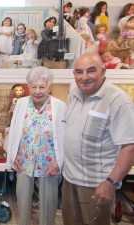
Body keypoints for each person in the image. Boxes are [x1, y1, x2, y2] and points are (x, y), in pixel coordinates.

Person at [62, 52, 134, 225]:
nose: (84, 77)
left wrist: (111, 183)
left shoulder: (117, 100)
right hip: (70, 179)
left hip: (97, 184)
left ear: (103, 71)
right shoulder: (73, 94)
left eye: (91, 71)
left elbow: (129, 147)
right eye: (79, 72)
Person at [5, 66, 66, 225]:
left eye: (42, 86)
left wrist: (59, 162)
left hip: (49, 163)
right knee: (23, 200)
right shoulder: (21, 104)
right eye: (33, 87)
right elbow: (14, 131)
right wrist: (14, 154)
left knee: (48, 203)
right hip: (24, 160)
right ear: (28, 87)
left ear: (49, 88)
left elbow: (65, 135)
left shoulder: (60, 106)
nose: (37, 91)